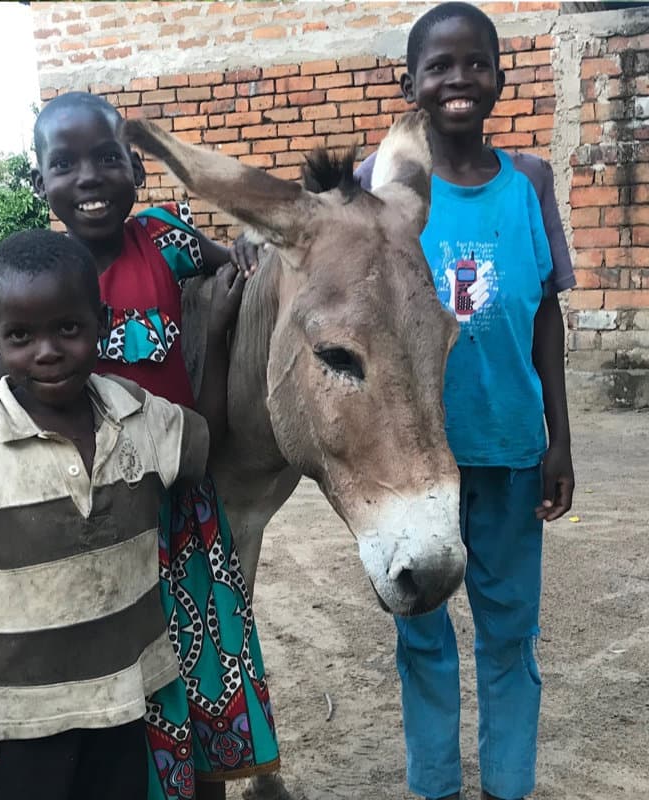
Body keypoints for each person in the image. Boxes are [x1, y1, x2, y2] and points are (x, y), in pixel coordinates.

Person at [25, 91, 280, 800]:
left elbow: (239, 264)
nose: (89, 178)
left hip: (178, 505)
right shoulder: (42, 273)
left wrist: (250, 252)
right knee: (119, 682)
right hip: (95, 520)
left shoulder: (165, 239)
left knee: (198, 674)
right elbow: (8, 396)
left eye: (108, 158)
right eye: (65, 163)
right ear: (39, 179)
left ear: (136, 170)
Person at [356, 4, 575, 800]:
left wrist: (561, 437)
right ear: (410, 82)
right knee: (423, 639)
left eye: (474, 63)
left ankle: (507, 787)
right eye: (438, 66)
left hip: (513, 447)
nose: (458, 79)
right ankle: (436, 787)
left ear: (498, 77)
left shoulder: (531, 184)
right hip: (416, 461)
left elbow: (545, 308)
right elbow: (316, 259)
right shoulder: (376, 188)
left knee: (511, 635)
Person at [0, 229, 211, 799]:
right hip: (20, 718)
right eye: (22, 335)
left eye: (68, 329)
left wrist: (219, 334)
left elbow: (209, 444)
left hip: (122, 702)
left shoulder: (137, 414)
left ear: (101, 323)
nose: (47, 351)